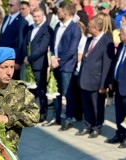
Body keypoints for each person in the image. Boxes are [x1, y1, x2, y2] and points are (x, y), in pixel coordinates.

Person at [44, 2, 81, 130]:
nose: (57, 13)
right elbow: (53, 44)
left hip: (67, 67)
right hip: (56, 64)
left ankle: (69, 118)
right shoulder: (58, 26)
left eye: (59, 12)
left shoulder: (75, 28)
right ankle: (56, 117)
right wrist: (53, 57)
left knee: (67, 93)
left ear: (65, 13)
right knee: (56, 92)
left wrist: (58, 61)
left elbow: (72, 51)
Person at [75, 15, 114, 138]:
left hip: (96, 81)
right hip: (85, 79)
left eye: (90, 27)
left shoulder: (107, 43)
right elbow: (85, 59)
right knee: (86, 105)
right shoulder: (89, 40)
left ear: (97, 28)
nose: (87, 28)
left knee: (96, 106)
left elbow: (107, 66)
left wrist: (103, 85)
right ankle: (87, 125)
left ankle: (97, 127)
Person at [22, 7, 52, 123]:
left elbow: (42, 48)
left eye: (39, 16)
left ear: (43, 15)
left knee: (41, 90)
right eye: (34, 16)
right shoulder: (30, 28)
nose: (36, 19)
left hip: (39, 64)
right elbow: (25, 43)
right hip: (28, 63)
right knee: (30, 90)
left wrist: (29, 58)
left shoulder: (47, 29)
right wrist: (25, 56)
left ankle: (43, 113)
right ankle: (32, 112)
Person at [0, 0, 28, 80]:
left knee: (12, 84)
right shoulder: (6, 18)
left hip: (12, 59)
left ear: (18, 7)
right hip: (2, 57)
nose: (8, 7)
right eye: (8, 5)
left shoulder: (22, 22)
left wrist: (17, 61)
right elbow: (2, 38)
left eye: (11, 5)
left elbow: (20, 43)